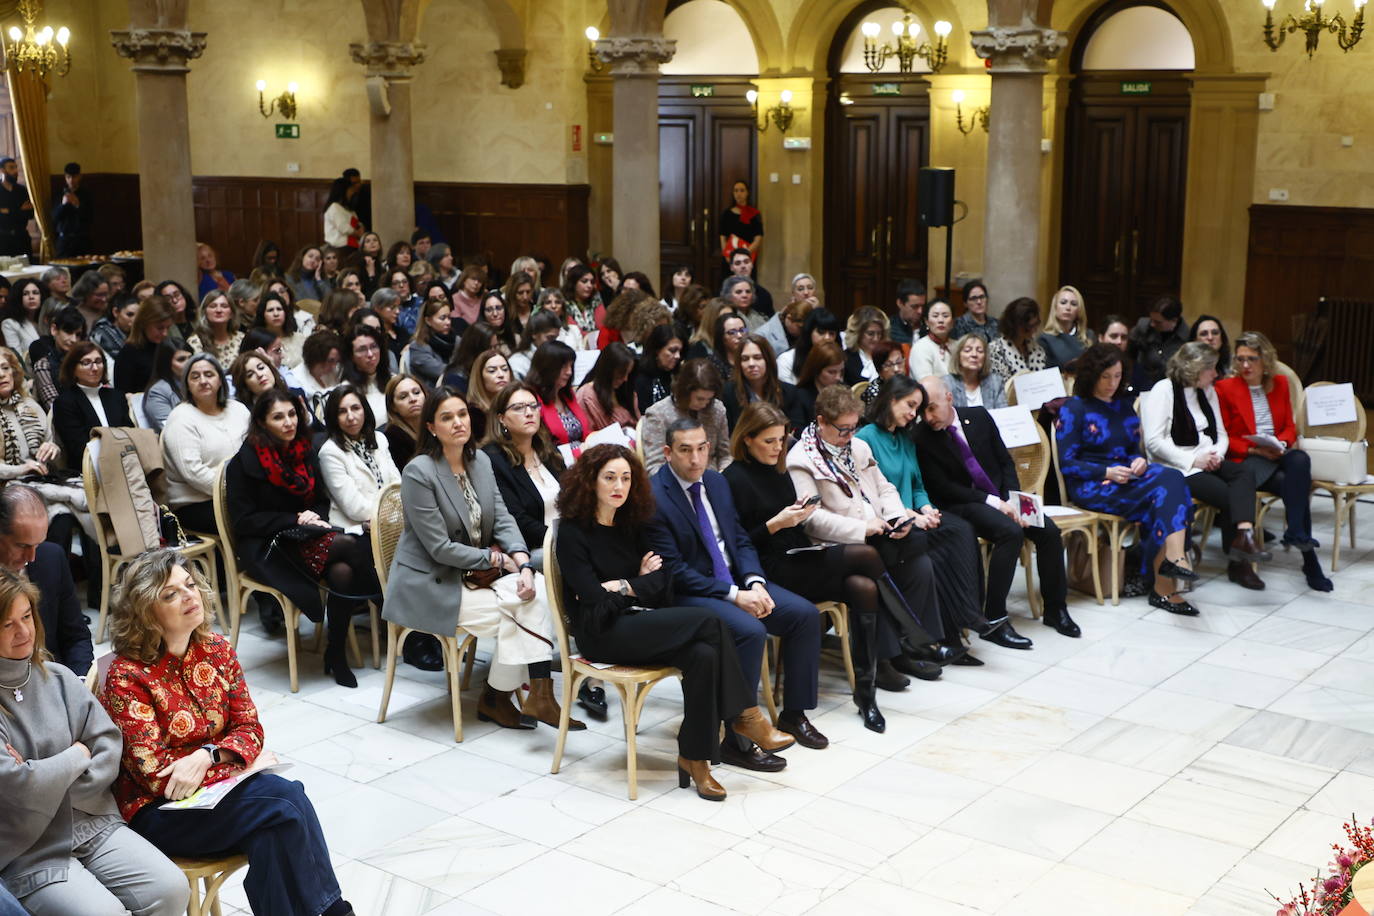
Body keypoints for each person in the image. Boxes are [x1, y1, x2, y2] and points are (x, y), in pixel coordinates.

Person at [102, 550, 353, 916]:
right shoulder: (127, 676)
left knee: (274, 829)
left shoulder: (217, 650)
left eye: (189, 585)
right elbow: (157, 776)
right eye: (170, 594)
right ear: (145, 611)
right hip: (160, 812)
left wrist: (208, 757)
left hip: (221, 794)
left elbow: (249, 727)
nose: (189, 596)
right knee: (285, 800)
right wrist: (238, 766)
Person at [555, 444, 754, 798]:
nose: (620, 486)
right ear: (590, 481)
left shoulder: (633, 524)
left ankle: (696, 758)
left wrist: (623, 585)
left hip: (637, 621)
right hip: (601, 634)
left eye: (627, 478)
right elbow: (595, 603)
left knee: (704, 655)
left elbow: (663, 584)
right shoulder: (572, 532)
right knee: (710, 622)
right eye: (610, 477)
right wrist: (636, 584)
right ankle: (743, 716)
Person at [725, 403, 934, 734]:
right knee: (865, 555)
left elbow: (800, 523)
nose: (778, 448)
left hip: (799, 554)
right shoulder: (731, 479)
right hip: (769, 568)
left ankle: (866, 696)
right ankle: (909, 627)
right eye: (769, 441)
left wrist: (797, 518)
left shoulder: (779, 470)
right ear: (747, 439)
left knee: (863, 587)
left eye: (781, 440)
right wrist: (775, 525)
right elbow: (736, 545)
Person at [384, 386, 578, 730]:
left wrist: (521, 561)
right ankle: (501, 697)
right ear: (431, 427)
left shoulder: (481, 461)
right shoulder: (419, 472)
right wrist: (500, 562)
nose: (458, 422)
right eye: (447, 417)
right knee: (520, 613)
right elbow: (439, 548)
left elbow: (503, 519)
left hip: (477, 574)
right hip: (433, 581)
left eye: (461, 414)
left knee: (538, 593)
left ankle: (527, 696)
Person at [0, 568, 188, 916]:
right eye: (7, 624)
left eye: (26, 616)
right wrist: (76, 754)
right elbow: (15, 784)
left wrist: (43, 778)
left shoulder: (56, 677)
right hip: (29, 849)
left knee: (172, 889)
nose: (23, 631)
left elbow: (106, 745)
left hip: (93, 822)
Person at [648, 418, 822, 769]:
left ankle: (793, 714)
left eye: (701, 449)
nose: (695, 459)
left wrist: (755, 581)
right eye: (685, 450)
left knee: (803, 615)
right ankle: (739, 738)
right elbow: (675, 571)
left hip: (736, 580)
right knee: (749, 630)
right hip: (690, 592)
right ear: (668, 453)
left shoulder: (715, 481)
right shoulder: (654, 496)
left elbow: (739, 539)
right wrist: (734, 595)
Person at [228, 389, 377, 686]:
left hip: (304, 534)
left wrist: (312, 516)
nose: (288, 423)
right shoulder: (243, 463)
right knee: (350, 545)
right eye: (278, 417)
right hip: (266, 545)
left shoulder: (303, 450)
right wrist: (293, 518)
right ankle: (383, 602)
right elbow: (244, 521)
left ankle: (335, 653)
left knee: (343, 570)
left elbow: (321, 499)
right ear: (261, 422)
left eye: (292, 414)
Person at [911, 376, 1078, 638]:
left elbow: (1004, 461)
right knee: (1010, 532)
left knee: (1048, 531)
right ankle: (995, 617)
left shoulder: (978, 416)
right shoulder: (921, 437)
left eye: (932, 407)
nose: (928, 416)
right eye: (922, 410)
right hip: (964, 503)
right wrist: (995, 503)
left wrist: (1012, 500)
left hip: (999, 496)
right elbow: (943, 488)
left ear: (949, 398)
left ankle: (1055, 609)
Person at [1056, 343, 1200, 614]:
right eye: (1106, 376)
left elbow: (1134, 450)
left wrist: (1140, 461)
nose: (1112, 383)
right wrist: (1106, 472)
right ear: (1092, 375)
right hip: (1093, 484)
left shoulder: (1123, 405)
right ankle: (1166, 582)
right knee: (1166, 491)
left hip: (1129, 479)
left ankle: (1171, 566)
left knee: (1170, 480)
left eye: (1118, 376)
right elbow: (1067, 463)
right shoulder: (1074, 408)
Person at [1142, 342, 1271, 590]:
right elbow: (1154, 442)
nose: (1215, 374)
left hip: (1208, 457)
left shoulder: (1207, 391)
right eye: (1210, 368)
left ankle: (1243, 536)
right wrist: (1193, 460)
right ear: (1194, 368)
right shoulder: (1165, 390)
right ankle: (1239, 563)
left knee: (1244, 472)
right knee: (1229, 495)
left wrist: (1216, 455)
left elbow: (1221, 434)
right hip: (1178, 466)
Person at [1215, 330, 1332, 592]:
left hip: (1277, 453)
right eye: (1240, 359)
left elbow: (1289, 427)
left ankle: (1297, 534)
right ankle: (1308, 557)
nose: (1245, 365)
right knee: (1296, 485)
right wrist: (1256, 451)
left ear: (1265, 360)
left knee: (1299, 459)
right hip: (1249, 458)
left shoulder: (1279, 383)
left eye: (1252, 359)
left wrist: (1283, 444)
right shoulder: (1225, 388)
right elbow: (1224, 436)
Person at [0, 486, 91, 675]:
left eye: (37, 544)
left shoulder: (52, 558)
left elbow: (76, 636)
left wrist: (79, 682)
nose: (31, 557)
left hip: (54, 676)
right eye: (22, 545)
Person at [482, 382, 565, 572]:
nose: (529, 412)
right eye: (519, 408)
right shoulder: (493, 459)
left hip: (569, 537)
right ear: (501, 418)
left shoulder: (547, 449)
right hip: (533, 548)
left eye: (533, 406)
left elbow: (574, 496)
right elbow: (518, 519)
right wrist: (565, 537)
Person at [161, 354, 249, 533]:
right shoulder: (181, 419)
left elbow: (255, 451)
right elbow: (193, 472)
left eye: (209, 374)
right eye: (195, 376)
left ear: (220, 380)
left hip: (240, 495)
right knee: (256, 518)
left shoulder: (238, 409)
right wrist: (236, 491)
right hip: (197, 504)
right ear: (187, 385)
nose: (203, 381)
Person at [318, 384, 401, 533]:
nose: (350, 417)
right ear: (333, 417)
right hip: (356, 529)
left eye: (355, 408)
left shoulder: (379, 439)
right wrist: (393, 519)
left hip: (392, 520)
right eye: (342, 412)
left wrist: (397, 517)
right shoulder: (330, 452)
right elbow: (355, 508)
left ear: (365, 410)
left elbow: (397, 485)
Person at [639, 358, 731, 475]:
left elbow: (725, 455)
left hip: (712, 477)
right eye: (700, 399)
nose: (704, 404)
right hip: (675, 481)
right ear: (684, 392)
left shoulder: (716, 409)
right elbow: (654, 466)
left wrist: (723, 475)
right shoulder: (658, 414)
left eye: (709, 399)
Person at [52, 343, 131, 463]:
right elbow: (78, 448)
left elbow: (130, 433)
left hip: (125, 462)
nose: (94, 368)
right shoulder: (65, 402)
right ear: (73, 368)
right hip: (89, 468)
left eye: (98, 361)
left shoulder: (116, 396)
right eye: (86, 363)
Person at [721, 334, 802, 430]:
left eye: (757, 357)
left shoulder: (789, 392)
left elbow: (796, 430)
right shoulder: (728, 393)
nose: (751, 364)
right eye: (745, 359)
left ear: (768, 360)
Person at [525, 340, 591, 452]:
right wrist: (578, 452)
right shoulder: (531, 398)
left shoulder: (566, 393)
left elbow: (585, 432)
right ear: (548, 367)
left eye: (571, 366)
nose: (569, 372)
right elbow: (544, 448)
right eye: (564, 367)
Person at [113, 296, 176, 393]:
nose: (165, 333)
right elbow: (123, 394)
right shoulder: (128, 354)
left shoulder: (169, 348)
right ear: (144, 323)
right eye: (160, 328)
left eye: (168, 328)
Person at [575, 342, 639, 432]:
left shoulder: (626, 390)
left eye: (628, 374)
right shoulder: (587, 395)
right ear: (608, 370)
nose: (625, 379)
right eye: (621, 374)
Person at [1128, 295, 1190, 389]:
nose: (1152, 324)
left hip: (1171, 387)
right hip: (1143, 385)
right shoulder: (1143, 328)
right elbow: (1129, 354)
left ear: (1174, 321)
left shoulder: (1187, 338)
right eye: (1151, 319)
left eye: (1158, 322)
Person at [32, 306, 86, 412]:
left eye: (78, 334)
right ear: (54, 330)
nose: (74, 340)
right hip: (62, 420)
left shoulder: (86, 361)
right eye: (68, 332)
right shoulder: (43, 364)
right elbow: (53, 407)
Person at [988, 297, 1049, 381]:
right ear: (1014, 325)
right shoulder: (995, 350)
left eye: (1036, 324)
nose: (1033, 330)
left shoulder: (1037, 349)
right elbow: (999, 386)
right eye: (1028, 327)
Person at [777, 307, 841, 386]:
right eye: (821, 332)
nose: (827, 338)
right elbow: (787, 394)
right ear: (809, 332)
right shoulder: (786, 360)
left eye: (831, 333)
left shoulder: (838, 360)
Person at [142, 339, 192, 433]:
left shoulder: (197, 383)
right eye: (181, 360)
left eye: (190, 358)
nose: (189, 363)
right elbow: (171, 430)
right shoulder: (158, 392)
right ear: (167, 364)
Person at [341, 324, 390, 420]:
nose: (370, 354)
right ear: (351, 356)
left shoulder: (394, 381)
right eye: (362, 349)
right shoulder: (346, 390)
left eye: (374, 346)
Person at [945, 334, 1007, 409]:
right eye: (968, 350)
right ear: (958, 355)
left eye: (980, 351)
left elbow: (1003, 413)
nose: (974, 355)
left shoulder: (995, 382)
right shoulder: (946, 384)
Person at [792, 339, 846, 425]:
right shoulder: (799, 397)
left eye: (841, 371)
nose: (838, 377)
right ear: (816, 370)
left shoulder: (845, 390)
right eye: (831, 372)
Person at [187, 288, 244, 369]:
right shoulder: (195, 341)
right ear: (205, 312)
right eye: (213, 306)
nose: (218, 310)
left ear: (231, 313)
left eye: (224, 306)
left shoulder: (241, 338)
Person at [463, 349, 512, 443]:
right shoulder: (474, 414)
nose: (501, 375)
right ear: (480, 377)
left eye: (505, 369)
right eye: (492, 371)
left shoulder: (518, 406)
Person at [405, 296, 454, 388]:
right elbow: (439, 371)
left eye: (449, 318)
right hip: (431, 395)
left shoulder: (456, 340)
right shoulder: (418, 346)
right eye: (442, 318)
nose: (448, 322)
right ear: (428, 320)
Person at [635, 324, 684, 411]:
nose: (678, 356)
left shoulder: (678, 375)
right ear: (657, 350)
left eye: (680, 351)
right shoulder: (641, 379)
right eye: (672, 351)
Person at [719, 183, 765, 276]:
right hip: (729, 258)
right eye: (736, 191)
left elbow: (758, 238)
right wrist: (727, 255)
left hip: (748, 257)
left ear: (747, 193)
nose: (738, 193)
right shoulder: (726, 213)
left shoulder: (754, 214)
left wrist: (744, 255)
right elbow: (722, 237)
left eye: (742, 190)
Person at [383, 373, 427, 469]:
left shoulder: (435, 426)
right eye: (403, 397)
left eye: (416, 392)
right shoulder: (392, 439)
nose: (412, 399)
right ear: (393, 406)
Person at [441, 321, 500, 393]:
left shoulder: (494, 371)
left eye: (495, 347)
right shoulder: (456, 378)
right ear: (475, 348)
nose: (494, 353)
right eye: (489, 348)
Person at [907, 299, 955, 380]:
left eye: (945, 316)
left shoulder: (958, 346)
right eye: (935, 316)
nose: (940, 320)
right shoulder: (920, 347)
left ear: (952, 322)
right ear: (927, 322)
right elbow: (925, 382)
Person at [51, 163, 91, 257]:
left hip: (81, 241)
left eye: (74, 177)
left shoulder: (86, 194)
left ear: (80, 176)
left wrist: (77, 205)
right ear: (65, 177)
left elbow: (89, 218)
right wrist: (63, 205)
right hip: (63, 240)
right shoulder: (59, 194)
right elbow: (54, 218)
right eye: (68, 177)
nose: (71, 180)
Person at [842, 306, 889, 385]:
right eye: (870, 334)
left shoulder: (888, 355)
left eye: (879, 333)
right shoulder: (846, 358)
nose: (876, 339)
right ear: (858, 333)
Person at [510, 310, 562, 380]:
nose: (554, 343)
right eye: (550, 338)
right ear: (534, 334)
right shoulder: (518, 363)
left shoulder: (555, 358)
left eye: (556, 338)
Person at [0, 157, 33, 256]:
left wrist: (7, 211)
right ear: (2, 170)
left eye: (15, 167)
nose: (15, 171)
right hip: (3, 239)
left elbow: (30, 214)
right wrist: (20, 211)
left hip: (22, 238)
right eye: (11, 168)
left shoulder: (22, 190)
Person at [2, 277, 43, 356]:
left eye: (35, 293)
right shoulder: (10, 324)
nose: (31, 297)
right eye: (25, 294)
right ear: (18, 298)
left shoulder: (45, 320)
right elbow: (17, 358)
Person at [323, 173, 364, 250]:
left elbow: (357, 222)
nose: (352, 193)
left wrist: (361, 227)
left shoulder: (347, 208)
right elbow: (344, 228)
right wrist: (358, 233)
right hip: (339, 246)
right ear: (343, 191)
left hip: (351, 244)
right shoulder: (334, 207)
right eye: (350, 190)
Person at [890, 278, 927, 346]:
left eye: (922, 306)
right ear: (900, 303)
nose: (920, 311)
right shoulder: (889, 329)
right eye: (915, 306)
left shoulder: (928, 327)